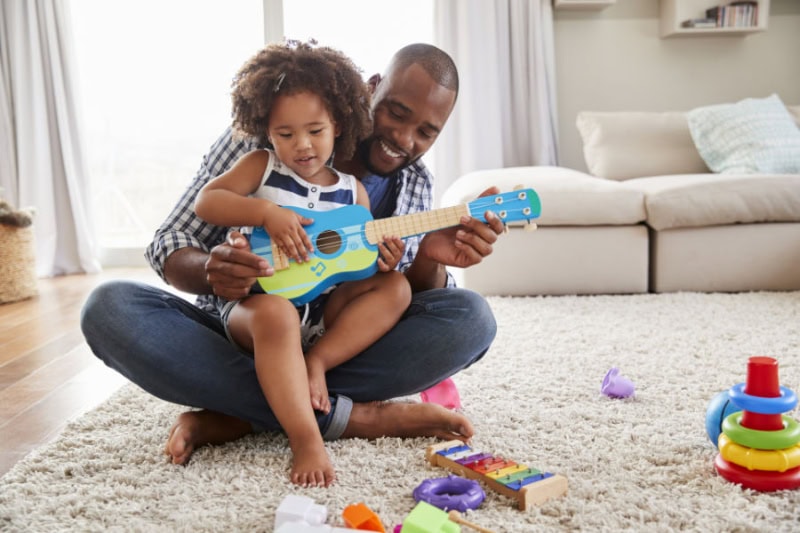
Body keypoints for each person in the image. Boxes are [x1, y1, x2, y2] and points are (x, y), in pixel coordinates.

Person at [80, 42, 505, 485]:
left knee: (472, 319)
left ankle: (244, 415)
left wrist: (430, 258)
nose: (405, 139)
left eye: (426, 132)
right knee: (109, 309)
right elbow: (171, 240)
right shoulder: (263, 140)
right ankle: (352, 418)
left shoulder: (411, 182)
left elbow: (409, 300)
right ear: (371, 89)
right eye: (397, 114)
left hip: (333, 340)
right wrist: (212, 270)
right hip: (246, 325)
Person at [194, 41, 411, 486]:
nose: (302, 145)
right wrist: (264, 214)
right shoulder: (262, 166)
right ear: (267, 131)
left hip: (320, 318)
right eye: (285, 134)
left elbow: (353, 265)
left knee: (398, 289)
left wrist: (384, 262)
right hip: (259, 310)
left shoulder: (353, 192)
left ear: (339, 123)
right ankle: (306, 436)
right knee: (275, 314)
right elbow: (207, 202)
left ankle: (316, 366)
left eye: (315, 130)